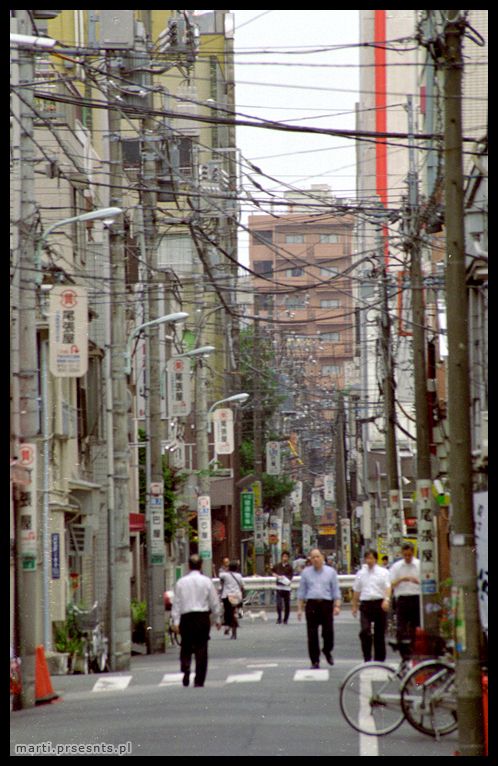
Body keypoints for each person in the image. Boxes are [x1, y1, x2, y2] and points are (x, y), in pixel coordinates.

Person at [171, 554, 221, 688]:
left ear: (188, 566)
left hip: (186, 617)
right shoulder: (206, 581)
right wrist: (217, 618)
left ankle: (186, 669)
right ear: (201, 566)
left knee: (186, 646)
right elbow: (214, 601)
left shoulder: (181, 582)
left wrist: (176, 621)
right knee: (202, 648)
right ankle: (199, 680)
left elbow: (176, 603)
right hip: (202, 617)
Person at [296, 548, 341, 668]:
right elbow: (301, 592)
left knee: (328, 632)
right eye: (313, 557)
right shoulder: (306, 573)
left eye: (318, 556)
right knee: (312, 634)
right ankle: (314, 661)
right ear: (310, 559)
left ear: (323, 557)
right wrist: (299, 609)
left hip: (326, 604)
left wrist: (337, 605)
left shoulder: (331, 572)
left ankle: (327, 650)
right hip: (311, 604)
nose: (315, 559)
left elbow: (335, 590)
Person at [352, 549, 391, 663]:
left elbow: (388, 587)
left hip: (379, 603)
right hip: (366, 604)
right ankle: (367, 657)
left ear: (376, 559)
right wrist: (354, 605)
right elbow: (356, 590)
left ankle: (380, 659)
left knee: (379, 633)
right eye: (367, 558)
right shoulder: (361, 573)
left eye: (371, 558)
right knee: (365, 631)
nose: (369, 561)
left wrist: (386, 600)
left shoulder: (383, 572)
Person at [389, 542, 420, 659]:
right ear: (402, 553)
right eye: (405, 555)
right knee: (401, 627)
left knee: (415, 627)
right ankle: (404, 653)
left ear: (413, 553)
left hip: (416, 597)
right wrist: (402, 579)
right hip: (402, 598)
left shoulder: (419, 565)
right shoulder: (396, 567)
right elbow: (390, 584)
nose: (407, 557)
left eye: (409, 555)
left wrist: (416, 581)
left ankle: (413, 651)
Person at [218, 560, 245, 639]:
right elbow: (243, 586)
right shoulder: (239, 576)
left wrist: (226, 570)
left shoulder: (225, 575)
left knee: (228, 613)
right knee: (233, 613)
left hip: (227, 596)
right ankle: (232, 629)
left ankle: (231, 628)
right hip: (236, 596)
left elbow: (220, 575)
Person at [271, 551, 294, 624]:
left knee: (287, 604)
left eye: (286, 557)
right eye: (284, 556)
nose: (285, 558)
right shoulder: (277, 565)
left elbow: (291, 577)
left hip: (286, 588)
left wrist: (285, 578)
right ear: (281, 557)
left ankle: (286, 619)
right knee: (278, 603)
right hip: (279, 587)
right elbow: (272, 571)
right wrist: (275, 575)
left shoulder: (290, 567)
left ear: (288, 558)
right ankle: (279, 618)